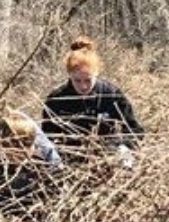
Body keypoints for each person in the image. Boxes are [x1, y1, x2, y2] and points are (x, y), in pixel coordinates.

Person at [42, 35, 144, 168]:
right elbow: (47, 138)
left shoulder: (111, 94)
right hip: (70, 162)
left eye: (88, 80)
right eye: (77, 81)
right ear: (69, 75)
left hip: (110, 158)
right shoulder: (56, 100)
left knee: (129, 163)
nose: (83, 86)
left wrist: (124, 146)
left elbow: (135, 130)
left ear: (96, 74)